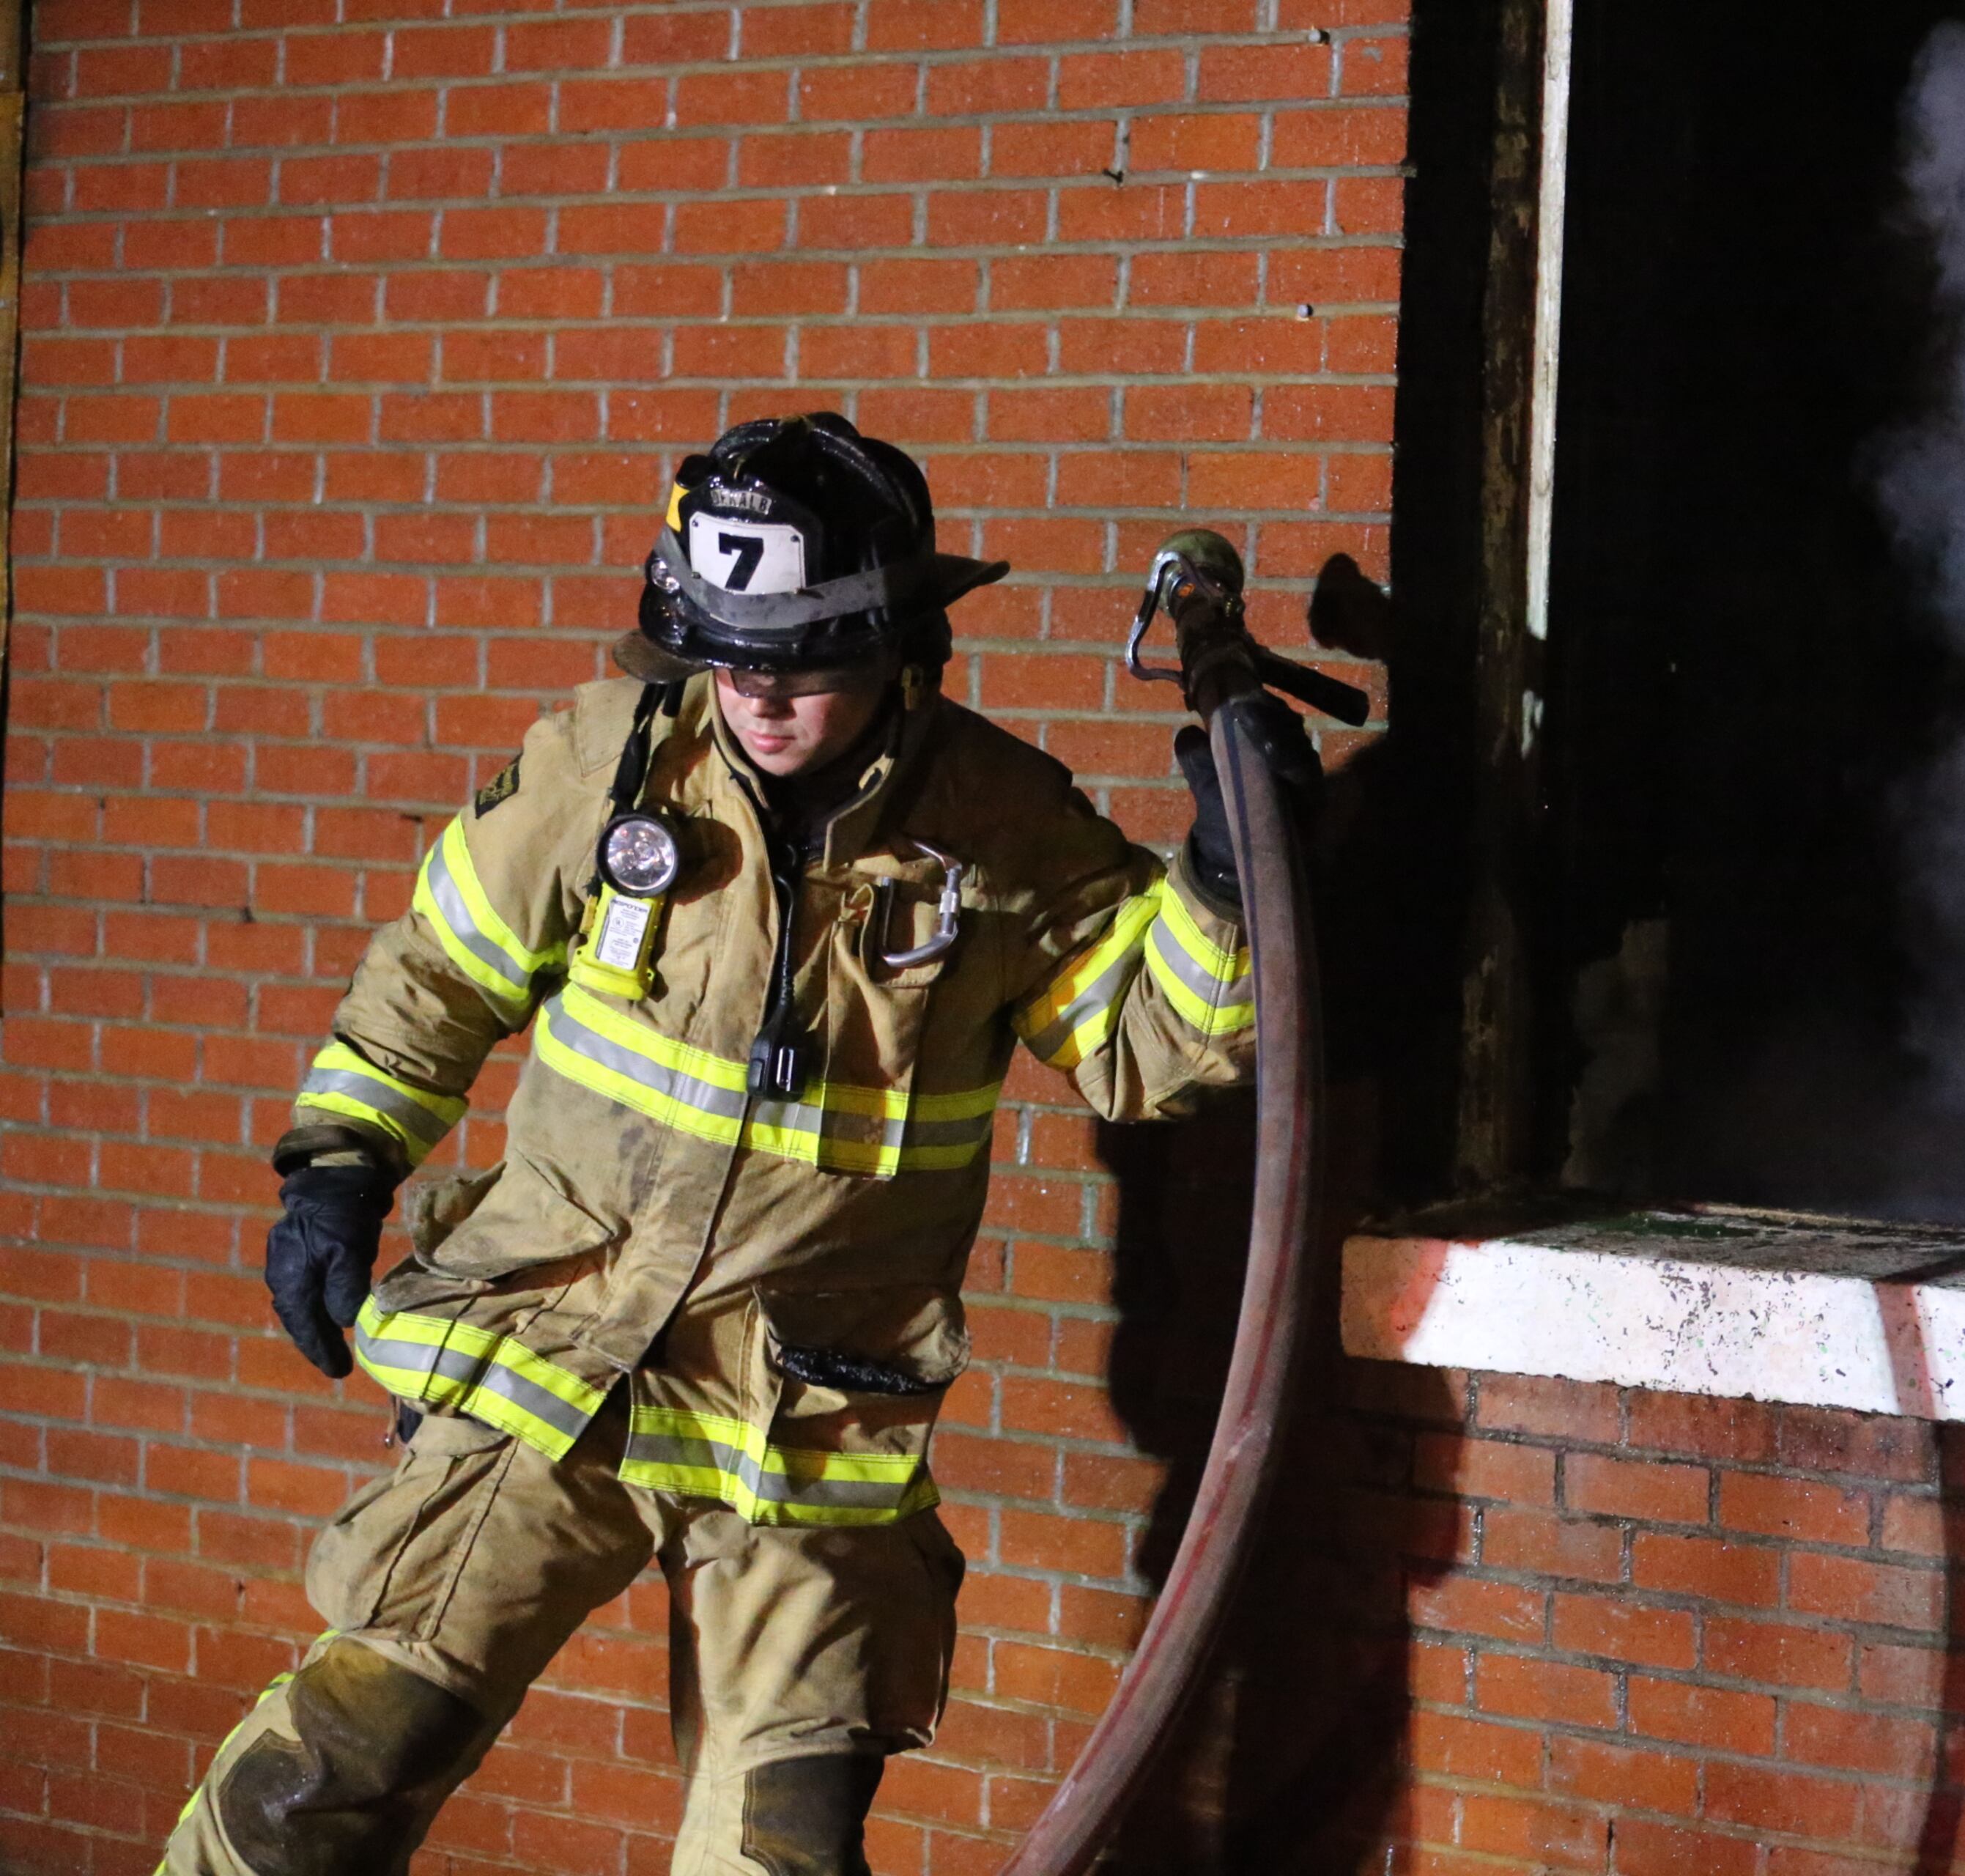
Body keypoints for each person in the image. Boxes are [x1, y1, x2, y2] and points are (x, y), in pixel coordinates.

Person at [160, 413, 1318, 1875]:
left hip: (811, 1424)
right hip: (552, 1358)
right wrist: (339, 1158)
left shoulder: (1001, 828)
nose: (763, 695)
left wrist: (1225, 879)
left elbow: (1156, 1040)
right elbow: (440, 969)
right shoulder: (608, 762)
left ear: (900, 639)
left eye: (807, 658)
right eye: (734, 652)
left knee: (781, 1853)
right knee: (327, 1773)